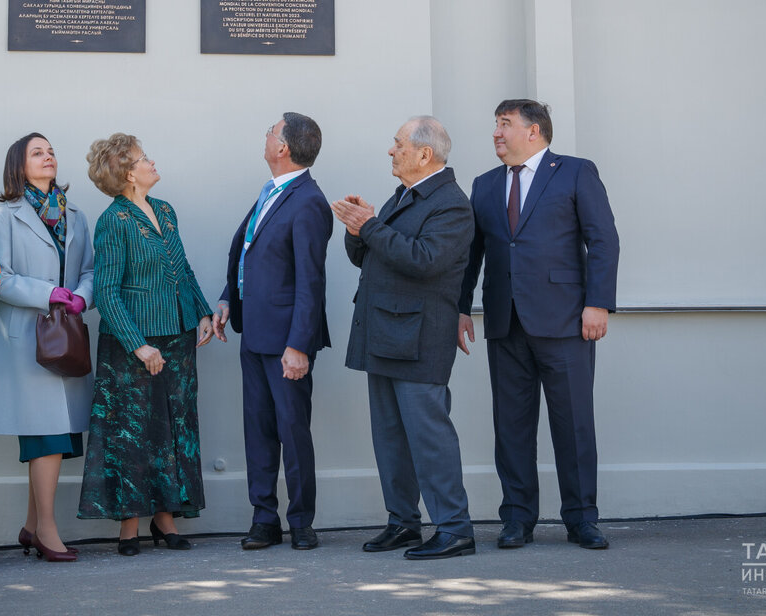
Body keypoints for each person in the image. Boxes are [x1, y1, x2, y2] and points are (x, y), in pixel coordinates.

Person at [457, 99, 619, 550]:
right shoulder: (485, 184)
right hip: (505, 323)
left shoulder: (574, 172)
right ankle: (517, 519)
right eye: (495, 124)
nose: (496, 133)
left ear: (534, 131)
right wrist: (459, 308)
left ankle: (582, 519)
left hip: (567, 321)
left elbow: (603, 240)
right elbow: (473, 255)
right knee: (511, 427)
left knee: (573, 425)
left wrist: (598, 303)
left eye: (504, 124)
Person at [332, 116, 476, 560]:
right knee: (390, 439)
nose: (391, 151)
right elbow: (372, 258)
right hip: (385, 334)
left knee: (429, 437)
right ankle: (403, 524)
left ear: (423, 154)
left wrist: (371, 225)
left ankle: (455, 530)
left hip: (419, 339)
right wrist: (358, 229)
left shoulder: (451, 203)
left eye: (397, 144)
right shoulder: (405, 196)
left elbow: (425, 260)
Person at [76, 133, 214, 556]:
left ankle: (165, 515)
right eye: (143, 158)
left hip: (178, 337)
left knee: (172, 429)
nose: (151, 162)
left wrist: (203, 313)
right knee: (131, 434)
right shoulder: (112, 221)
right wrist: (139, 346)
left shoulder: (164, 210)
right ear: (126, 172)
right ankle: (129, 525)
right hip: (132, 344)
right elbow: (108, 291)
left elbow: (183, 268)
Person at [213, 112, 333, 551]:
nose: (264, 135)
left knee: (292, 432)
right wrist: (229, 298)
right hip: (254, 335)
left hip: (287, 343)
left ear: (283, 147)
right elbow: (249, 254)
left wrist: (298, 346)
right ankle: (264, 520)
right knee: (258, 432)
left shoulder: (308, 201)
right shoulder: (272, 191)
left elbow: (311, 281)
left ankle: (302, 522)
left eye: (270, 130)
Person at [0, 132, 93, 563]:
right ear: (19, 165)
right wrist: (49, 293)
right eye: (37, 152)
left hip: (65, 335)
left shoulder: (77, 216)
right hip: (26, 338)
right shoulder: (3, 217)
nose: (48, 157)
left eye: (51, 151)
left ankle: (31, 526)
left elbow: (89, 269)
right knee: (45, 434)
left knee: (59, 433)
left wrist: (83, 295)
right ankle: (48, 531)